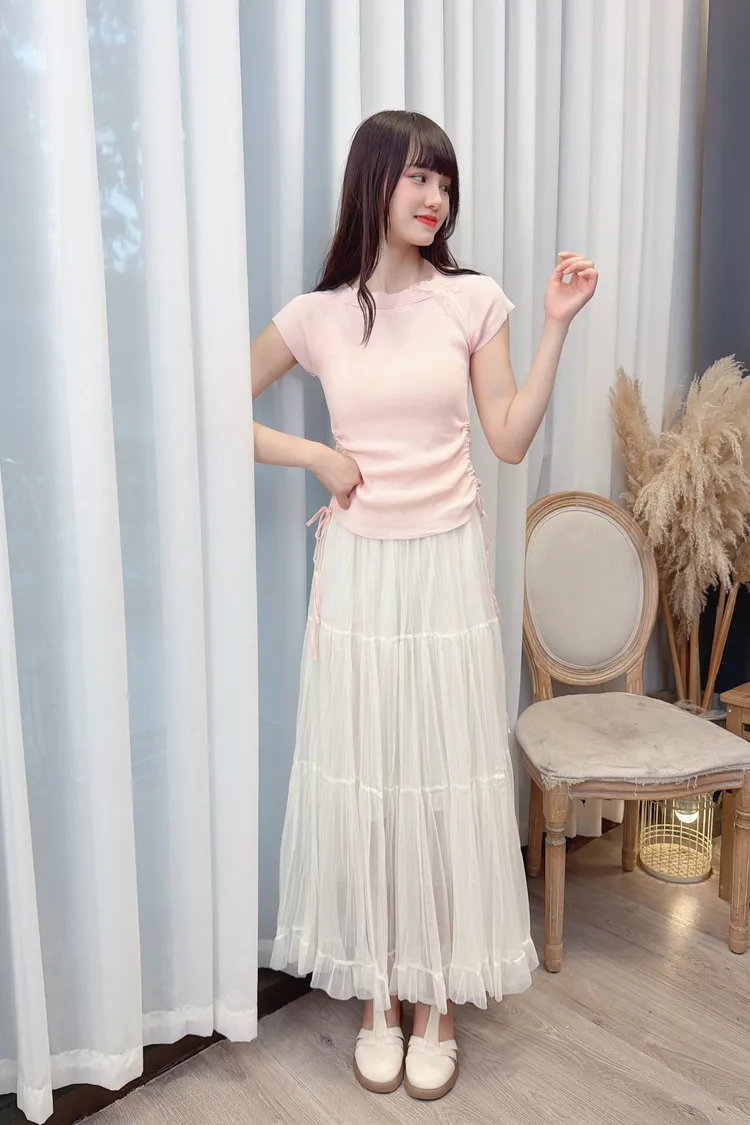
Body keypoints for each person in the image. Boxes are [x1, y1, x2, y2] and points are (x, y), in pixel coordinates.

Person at [251, 109, 597, 1101]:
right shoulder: (318, 315)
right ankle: (380, 995)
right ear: (373, 182)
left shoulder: (471, 301)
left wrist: (556, 325)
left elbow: (509, 439)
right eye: (416, 176)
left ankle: (438, 997)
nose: (434, 195)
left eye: (443, 179)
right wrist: (315, 457)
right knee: (370, 775)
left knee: (442, 779)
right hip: (360, 571)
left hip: (445, 569)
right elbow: (215, 405)